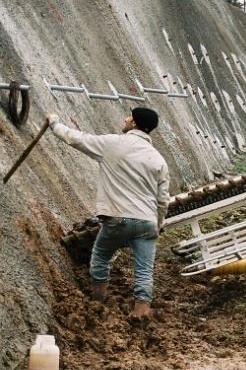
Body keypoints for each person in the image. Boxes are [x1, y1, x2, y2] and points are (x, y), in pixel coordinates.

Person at [46, 108, 169, 318]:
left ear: (135, 124)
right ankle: (141, 313)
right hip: (147, 221)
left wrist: (54, 123)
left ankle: (98, 304)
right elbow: (162, 200)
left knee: (101, 257)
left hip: (119, 217)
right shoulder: (159, 160)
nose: (125, 118)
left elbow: (77, 139)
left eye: (129, 116)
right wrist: (156, 227)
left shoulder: (114, 144)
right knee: (144, 270)